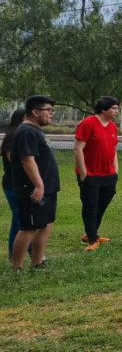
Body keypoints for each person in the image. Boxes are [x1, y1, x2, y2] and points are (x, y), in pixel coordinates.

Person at [10, 96, 58, 271]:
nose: (51, 114)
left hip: (48, 188)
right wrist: (39, 185)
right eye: (49, 110)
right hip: (32, 189)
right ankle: (17, 268)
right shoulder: (26, 132)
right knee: (28, 228)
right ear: (35, 112)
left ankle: (37, 263)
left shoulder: (36, 131)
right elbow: (27, 160)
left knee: (45, 225)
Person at [73, 96, 121, 251]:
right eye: (114, 108)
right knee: (91, 206)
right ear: (103, 109)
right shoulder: (88, 124)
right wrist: (83, 174)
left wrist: (115, 171)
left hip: (108, 175)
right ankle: (92, 238)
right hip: (91, 175)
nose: (116, 111)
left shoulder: (113, 127)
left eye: (117, 108)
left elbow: (113, 150)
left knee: (101, 205)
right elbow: (77, 149)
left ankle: (91, 233)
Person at [1, 109, 27, 258]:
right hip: (14, 184)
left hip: (15, 184)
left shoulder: (17, 134)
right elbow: (15, 163)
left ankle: (13, 253)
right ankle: (31, 253)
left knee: (17, 223)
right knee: (24, 222)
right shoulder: (14, 137)